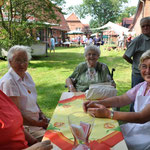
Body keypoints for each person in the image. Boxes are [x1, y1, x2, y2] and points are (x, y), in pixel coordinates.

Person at [83, 49, 150, 150]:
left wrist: (108, 114)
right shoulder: (142, 86)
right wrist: (97, 102)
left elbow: (141, 117)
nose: (148, 71)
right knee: (101, 134)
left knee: (107, 143)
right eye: (144, 66)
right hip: (136, 129)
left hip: (145, 138)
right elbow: (121, 99)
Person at [0, 45, 49, 141]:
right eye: (18, 60)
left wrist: (42, 115)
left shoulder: (26, 75)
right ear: (10, 61)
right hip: (26, 128)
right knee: (55, 140)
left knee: (63, 127)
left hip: (37, 121)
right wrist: (38, 124)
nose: (22, 64)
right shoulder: (9, 82)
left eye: (25, 60)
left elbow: (32, 99)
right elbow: (17, 115)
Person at [123, 17, 150, 111]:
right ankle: (133, 120)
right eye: (143, 26)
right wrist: (136, 65)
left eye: (148, 25)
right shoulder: (137, 41)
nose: (146, 28)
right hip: (138, 75)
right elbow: (126, 56)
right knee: (136, 99)